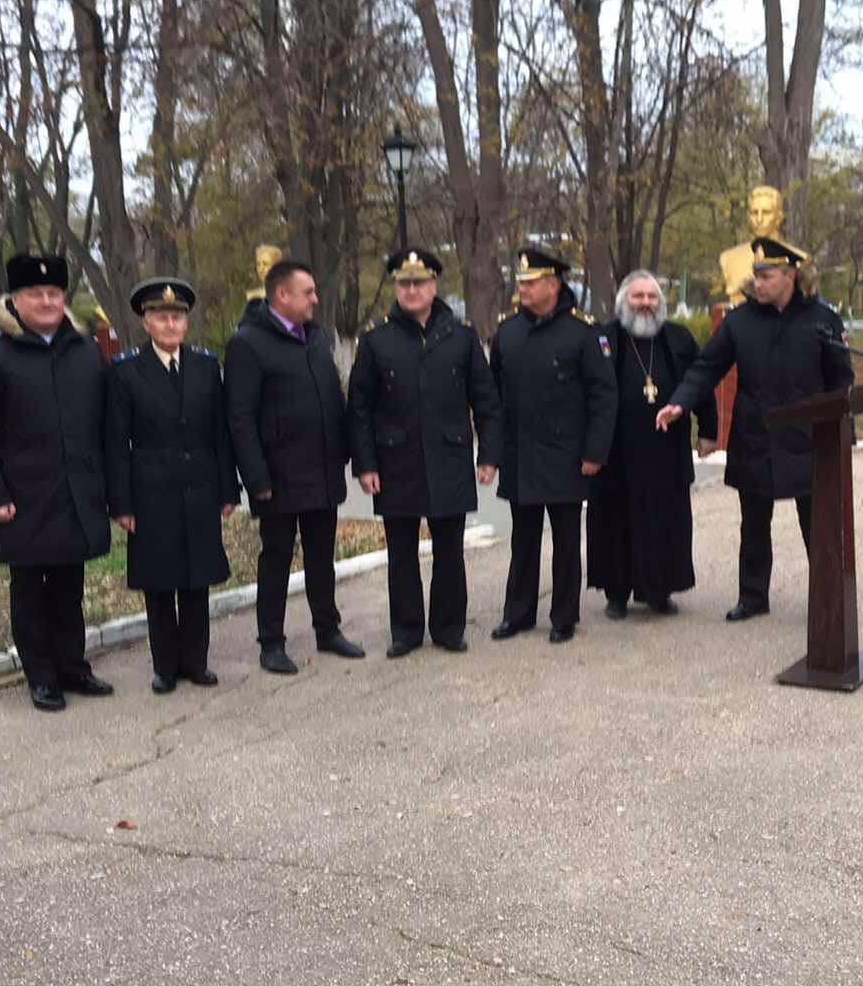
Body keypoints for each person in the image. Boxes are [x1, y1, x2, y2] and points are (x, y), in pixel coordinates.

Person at [657, 236, 853, 622]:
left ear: (790, 276)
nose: (758, 283)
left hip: (809, 439)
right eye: (756, 275)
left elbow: (840, 379)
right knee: (754, 525)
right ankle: (753, 596)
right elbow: (707, 366)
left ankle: (828, 596)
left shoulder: (822, 319)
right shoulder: (740, 321)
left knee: (818, 525)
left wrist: (842, 431)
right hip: (755, 437)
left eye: (767, 276)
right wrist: (680, 401)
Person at [0, 253, 114, 711]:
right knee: (29, 591)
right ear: (15, 300)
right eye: (35, 294)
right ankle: (41, 675)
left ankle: (73, 666)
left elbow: (105, 423)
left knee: (69, 586)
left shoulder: (84, 351)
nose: (46, 301)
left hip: (76, 492)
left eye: (54, 293)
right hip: (22, 497)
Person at [349, 249, 503, 657]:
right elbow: (359, 408)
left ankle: (449, 628)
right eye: (404, 283)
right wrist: (365, 464)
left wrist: (489, 454)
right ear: (396, 287)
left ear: (434, 286)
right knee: (401, 552)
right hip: (395, 462)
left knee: (449, 550)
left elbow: (485, 399)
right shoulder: (376, 340)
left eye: (419, 282)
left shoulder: (461, 337)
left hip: (449, 458)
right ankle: (406, 630)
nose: (411, 290)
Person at [224, 258, 364, 674]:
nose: (315, 300)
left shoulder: (315, 338)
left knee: (322, 557)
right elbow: (240, 418)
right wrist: (256, 477)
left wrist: (345, 453)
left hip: (322, 470)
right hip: (278, 477)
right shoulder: (248, 344)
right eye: (308, 293)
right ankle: (271, 642)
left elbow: (332, 399)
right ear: (282, 295)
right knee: (277, 559)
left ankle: (328, 629)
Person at [105, 277, 242, 694]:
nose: (170, 324)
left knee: (197, 580)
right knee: (160, 582)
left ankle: (196, 662)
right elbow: (115, 443)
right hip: (151, 493)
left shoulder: (205, 366)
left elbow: (220, 433)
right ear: (145, 322)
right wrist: (121, 504)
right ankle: (165, 666)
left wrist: (228, 489)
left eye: (177, 317)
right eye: (161, 317)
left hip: (200, 488)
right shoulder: (126, 370)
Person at [490, 247, 618, 643]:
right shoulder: (508, 331)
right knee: (523, 540)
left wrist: (595, 452)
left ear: (553, 284)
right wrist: (493, 451)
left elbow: (603, 395)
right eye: (521, 282)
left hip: (567, 456)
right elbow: (494, 397)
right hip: (521, 454)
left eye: (531, 282)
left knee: (566, 541)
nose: (523, 288)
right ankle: (518, 613)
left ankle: (564, 616)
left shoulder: (584, 332)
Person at [586, 270, 718, 619]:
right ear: (623, 302)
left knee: (664, 522)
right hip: (616, 451)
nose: (646, 303)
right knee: (615, 521)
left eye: (652, 297)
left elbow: (700, 383)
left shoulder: (678, 338)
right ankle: (616, 593)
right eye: (638, 296)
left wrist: (708, 431)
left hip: (666, 450)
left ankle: (658, 591)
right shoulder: (603, 338)